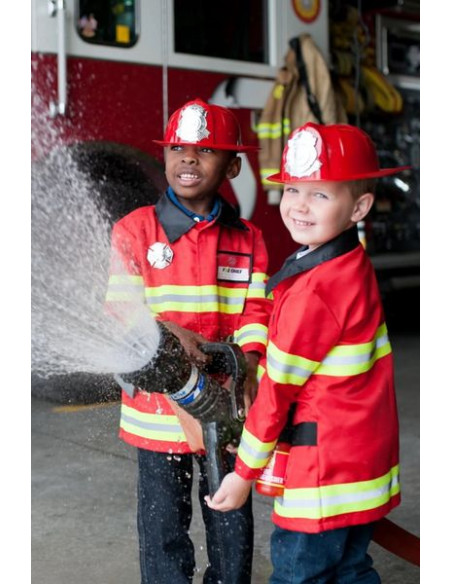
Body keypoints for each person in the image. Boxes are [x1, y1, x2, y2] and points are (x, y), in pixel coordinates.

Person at [206, 122, 408, 583]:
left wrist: (242, 474)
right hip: (361, 464)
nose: (298, 204)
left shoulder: (316, 290)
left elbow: (277, 391)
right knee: (351, 569)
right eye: (293, 187)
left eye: (320, 195)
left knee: (301, 574)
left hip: (323, 474)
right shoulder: (346, 262)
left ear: (359, 206)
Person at [105, 98, 272, 584]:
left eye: (205, 150)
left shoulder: (248, 239)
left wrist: (249, 368)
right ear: (164, 156)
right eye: (177, 147)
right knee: (162, 531)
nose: (188, 159)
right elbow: (118, 311)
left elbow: (256, 313)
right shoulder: (134, 231)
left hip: (224, 411)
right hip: (157, 419)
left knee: (230, 519)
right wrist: (163, 331)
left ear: (234, 165)